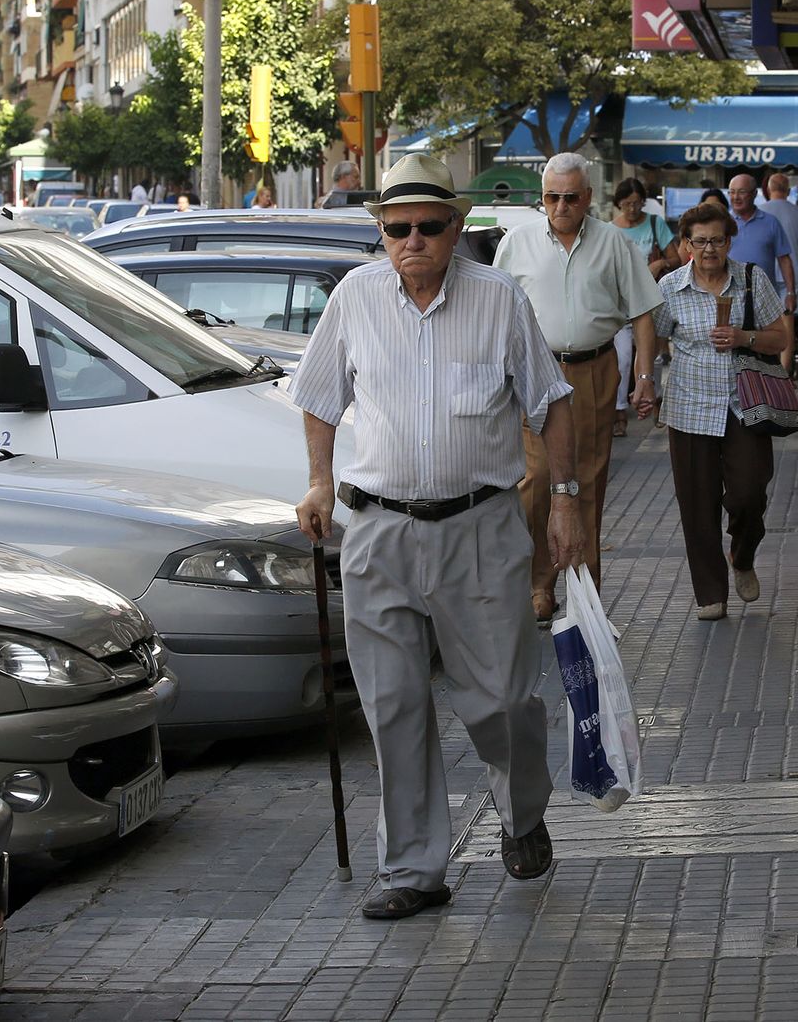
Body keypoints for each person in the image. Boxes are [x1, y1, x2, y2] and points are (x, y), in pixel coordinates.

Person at [291, 153, 581, 919]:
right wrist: (320, 480)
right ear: (381, 235)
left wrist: (565, 500)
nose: (411, 241)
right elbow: (319, 396)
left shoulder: (498, 298)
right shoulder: (354, 297)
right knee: (392, 704)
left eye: (427, 227)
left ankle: (521, 813)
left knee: (503, 702)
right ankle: (415, 868)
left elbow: (550, 402)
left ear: (457, 229)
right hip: (379, 530)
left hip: (481, 528)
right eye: (396, 230)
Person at [494, 154, 661, 624]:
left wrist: (644, 378)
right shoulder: (517, 243)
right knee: (538, 480)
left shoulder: (615, 243)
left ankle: (585, 591)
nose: (561, 206)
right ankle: (538, 586)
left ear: (588, 197)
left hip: (593, 370)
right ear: (541, 198)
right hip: (536, 370)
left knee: (587, 481)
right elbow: (495, 311)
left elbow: (643, 311)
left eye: (571, 197)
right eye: (552, 197)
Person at [654, 202, 788, 621]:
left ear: (729, 241)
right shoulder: (670, 288)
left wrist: (744, 336)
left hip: (743, 405)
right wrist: (646, 379)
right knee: (697, 503)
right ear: (686, 245)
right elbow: (654, 338)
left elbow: (779, 337)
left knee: (749, 492)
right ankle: (710, 594)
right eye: (699, 241)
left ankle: (742, 554)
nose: (708, 248)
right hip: (690, 406)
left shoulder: (751, 279)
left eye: (716, 239)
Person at [608, 177, 678, 438]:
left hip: (652, 300)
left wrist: (659, 265)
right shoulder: (610, 230)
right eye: (627, 204)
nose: (633, 209)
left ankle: (655, 399)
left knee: (656, 356)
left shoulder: (654, 223)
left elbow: (676, 257)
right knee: (622, 358)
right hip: (622, 304)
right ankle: (618, 412)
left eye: (637, 203)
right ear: (618, 204)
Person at [726, 174, 798, 370]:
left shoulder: (771, 222)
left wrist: (790, 293)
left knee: (766, 346)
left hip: (763, 297)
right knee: (733, 348)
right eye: (732, 192)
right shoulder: (724, 223)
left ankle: (764, 386)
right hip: (729, 297)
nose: (736, 197)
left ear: (754, 194)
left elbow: (784, 259)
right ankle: (739, 382)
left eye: (741, 192)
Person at [761, 173, 798, 367]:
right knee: (788, 324)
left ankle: (767, 369)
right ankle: (785, 371)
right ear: (788, 191)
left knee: (764, 323)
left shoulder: (760, 212)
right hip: (793, 273)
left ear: (768, 190)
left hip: (765, 274)